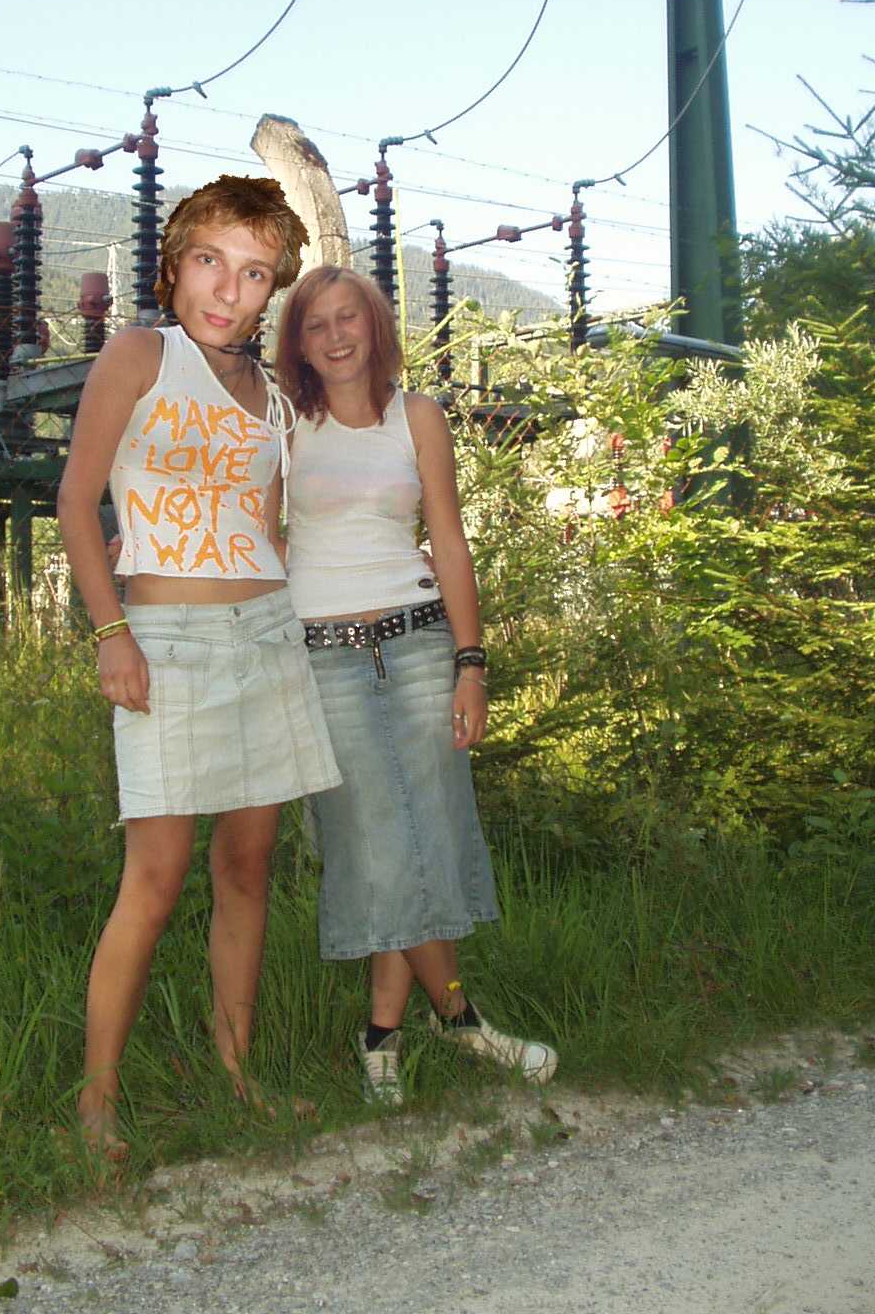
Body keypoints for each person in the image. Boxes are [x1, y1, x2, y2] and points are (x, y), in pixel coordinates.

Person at [58, 175, 341, 1153]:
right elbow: (76, 502)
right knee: (156, 875)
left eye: (255, 272)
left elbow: (267, 530)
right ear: (176, 264)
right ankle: (96, 1103)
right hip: (166, 643)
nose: (229, 288)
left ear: (273, 289)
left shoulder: (274, 401)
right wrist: (112, 635)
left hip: (267, 637)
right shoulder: (140, 356)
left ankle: (236, 1077)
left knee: (248, 867)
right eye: (212, 261)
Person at [275, 265, 557, 1106]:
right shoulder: (285, 422)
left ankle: (385, 1035)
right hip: (326, 656)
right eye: (316, 324)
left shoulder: (419, 417)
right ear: (299, 344)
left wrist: (472, 663)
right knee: (373, 843)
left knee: (428, 834)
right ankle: (456, 1018)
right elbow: (257, 536)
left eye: (348, 318)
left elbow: (450, 540)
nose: (335, 336)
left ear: (375, 326)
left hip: (419, 646)